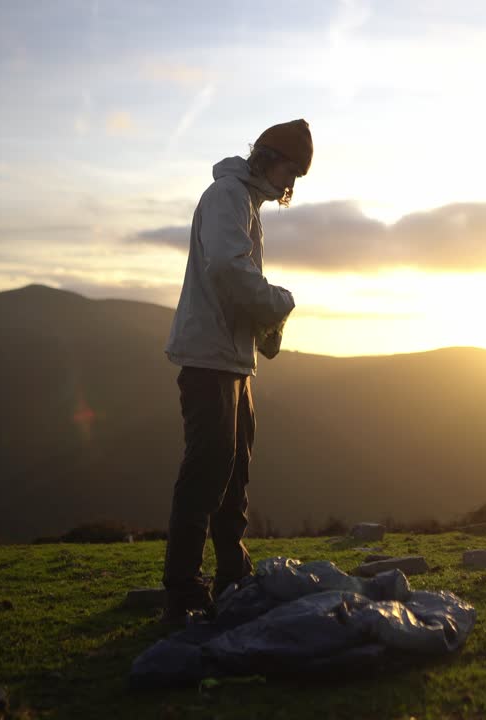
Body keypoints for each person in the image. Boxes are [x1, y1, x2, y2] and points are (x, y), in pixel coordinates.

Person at [160, 119, 312, 622]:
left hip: (230, 359)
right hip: (209, 358)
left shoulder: (245, 203)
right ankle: (183, 589)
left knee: (233, 470)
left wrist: (261, 328)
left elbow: (233, 274)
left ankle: (232, 574)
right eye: (292, 169)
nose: (292, 183)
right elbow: (226, 269)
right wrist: (278, 304)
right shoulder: (227, 195)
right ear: (269, 157)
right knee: (208, 470)